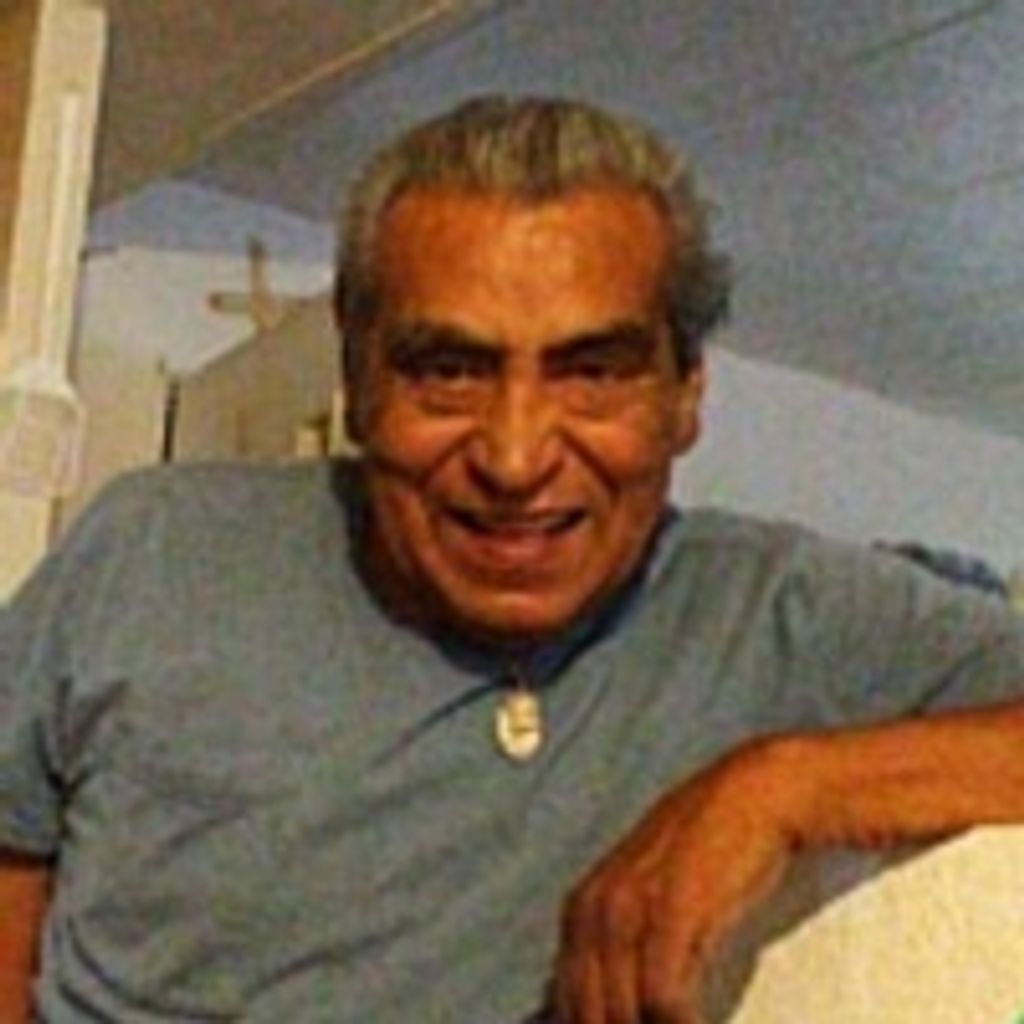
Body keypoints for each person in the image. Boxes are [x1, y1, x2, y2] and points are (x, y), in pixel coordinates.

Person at [2, 95, 1023, 1024]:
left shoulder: (787, 615)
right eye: (450, 370)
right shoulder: (153, 551)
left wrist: (786, 784)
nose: (515, 457)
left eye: (593, 373)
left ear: (685, 396)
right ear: (358, 381)